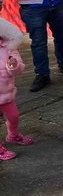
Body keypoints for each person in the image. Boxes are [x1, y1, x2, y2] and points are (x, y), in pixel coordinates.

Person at [0, 16, 33, 160]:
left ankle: (13, 135)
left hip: (6, 94)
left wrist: (13, 66)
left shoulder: (9, 47)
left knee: (13, 116)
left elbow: (18, 69)